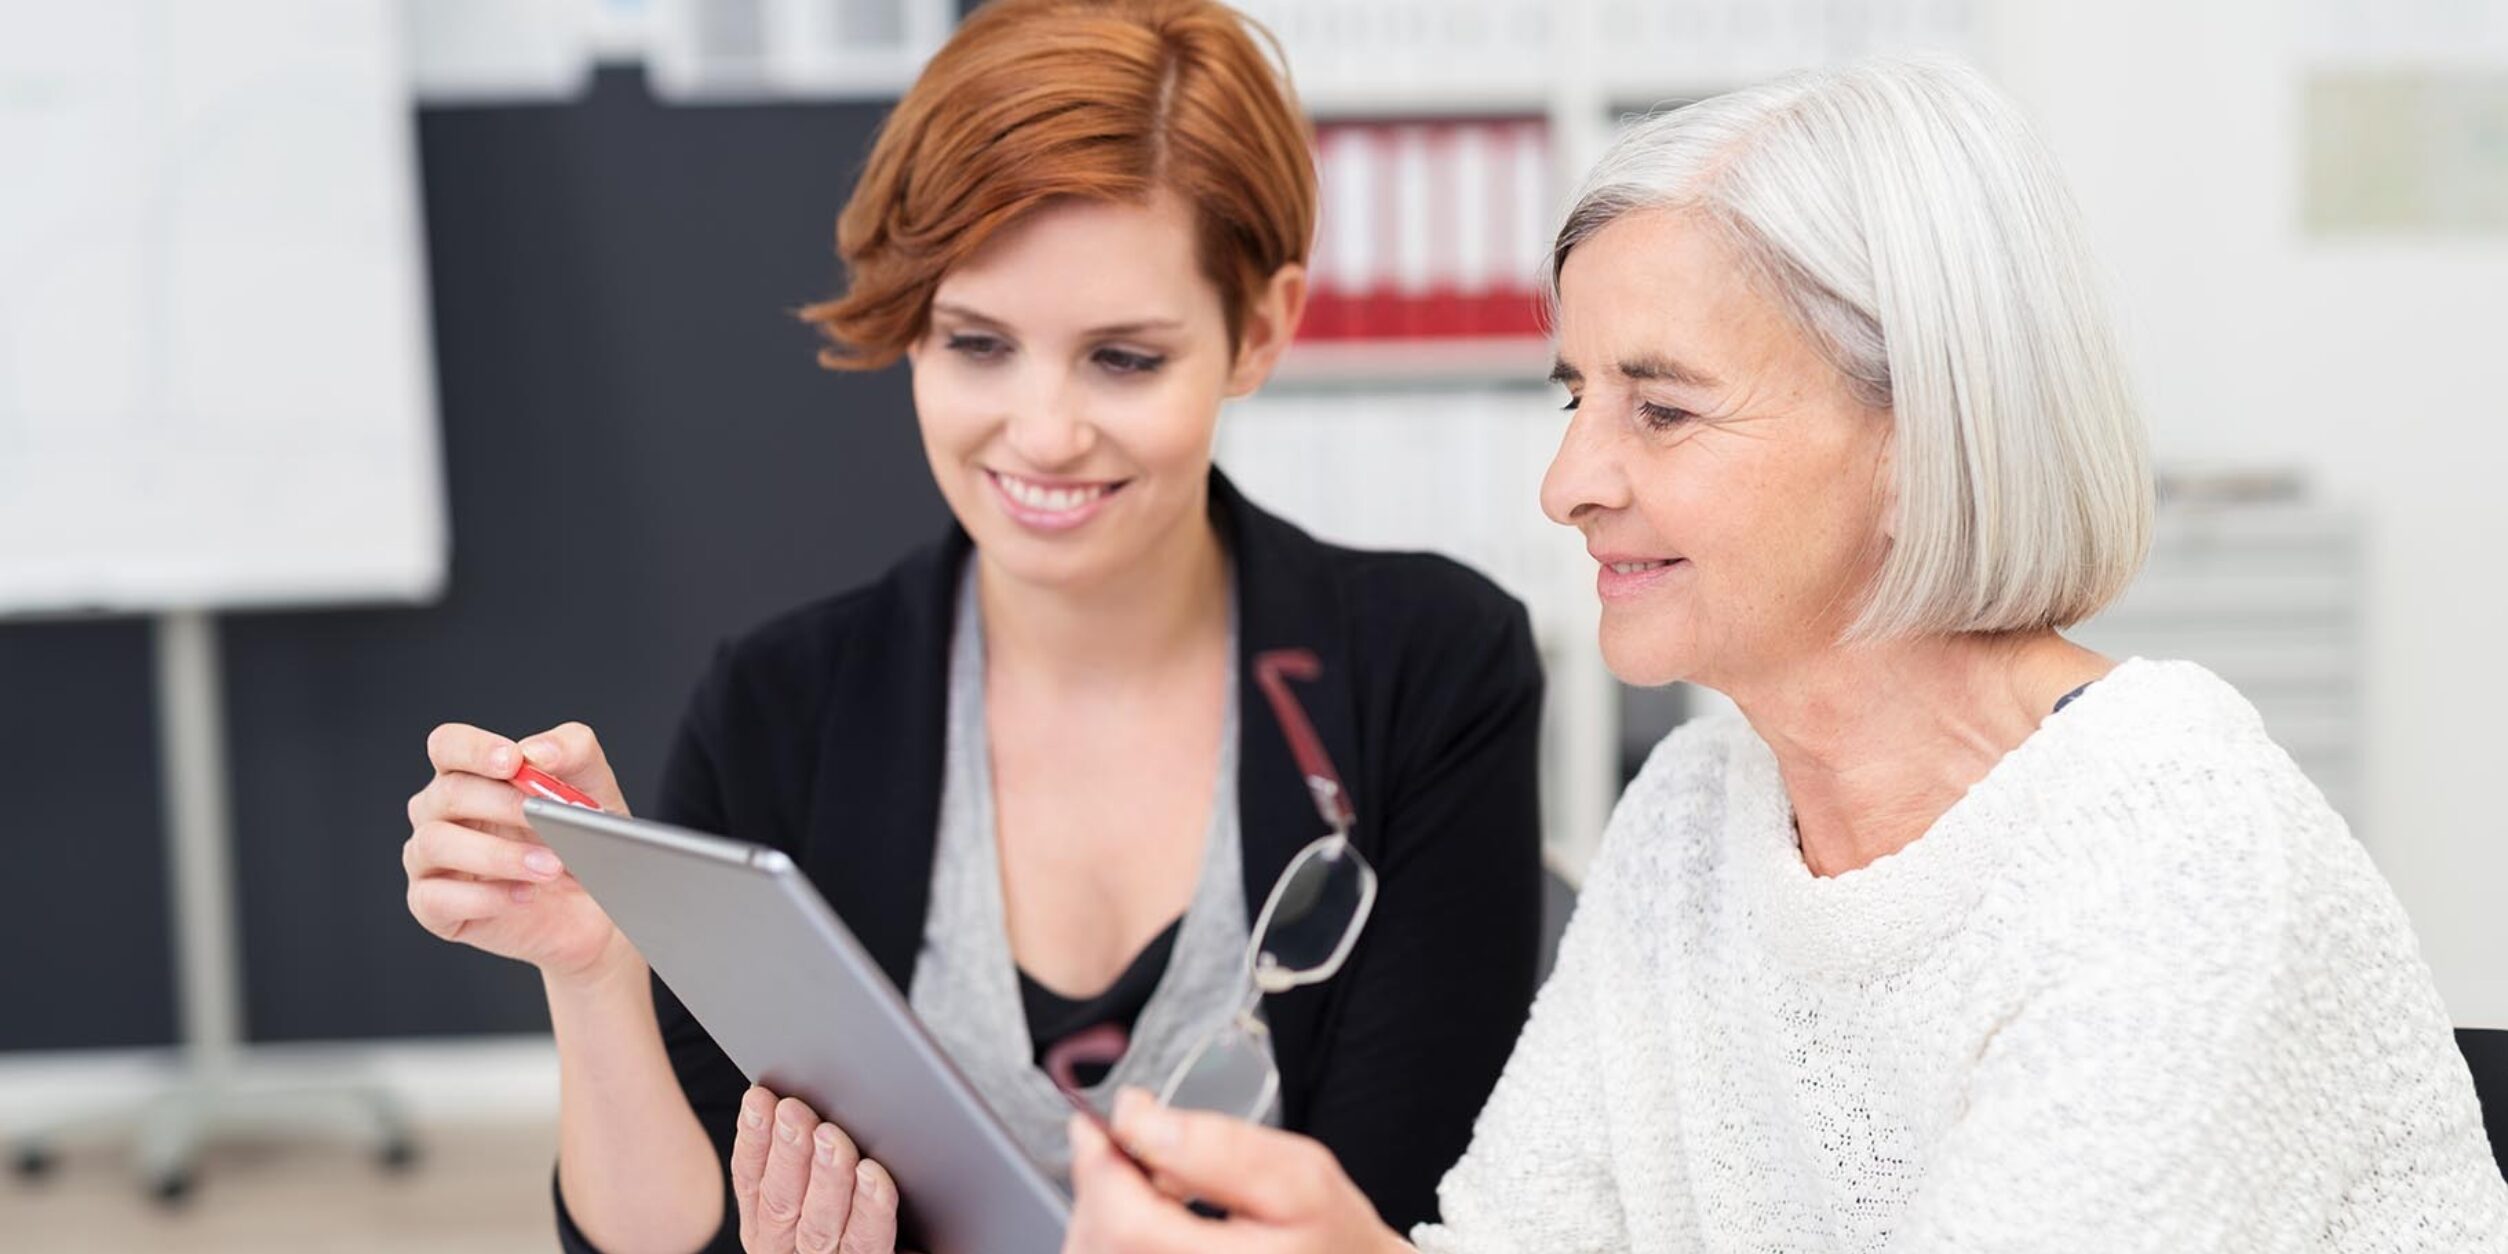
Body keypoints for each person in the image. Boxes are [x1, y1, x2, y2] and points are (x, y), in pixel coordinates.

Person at [1060, 55, 2508, 1252]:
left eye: (1664, 410)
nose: (1567, 484)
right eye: (1576, 396)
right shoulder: (1692, 821)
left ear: (1919, 432)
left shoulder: (2170, 836)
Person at [398, 2, 1545, 1251]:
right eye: (978, 344)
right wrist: (595, 972)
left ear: (1257, 331)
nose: (1043, 432)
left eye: (1123, 359)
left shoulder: (1432, 670)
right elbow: (680, 1238)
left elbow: (1415, 1206)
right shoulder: (782, 711)